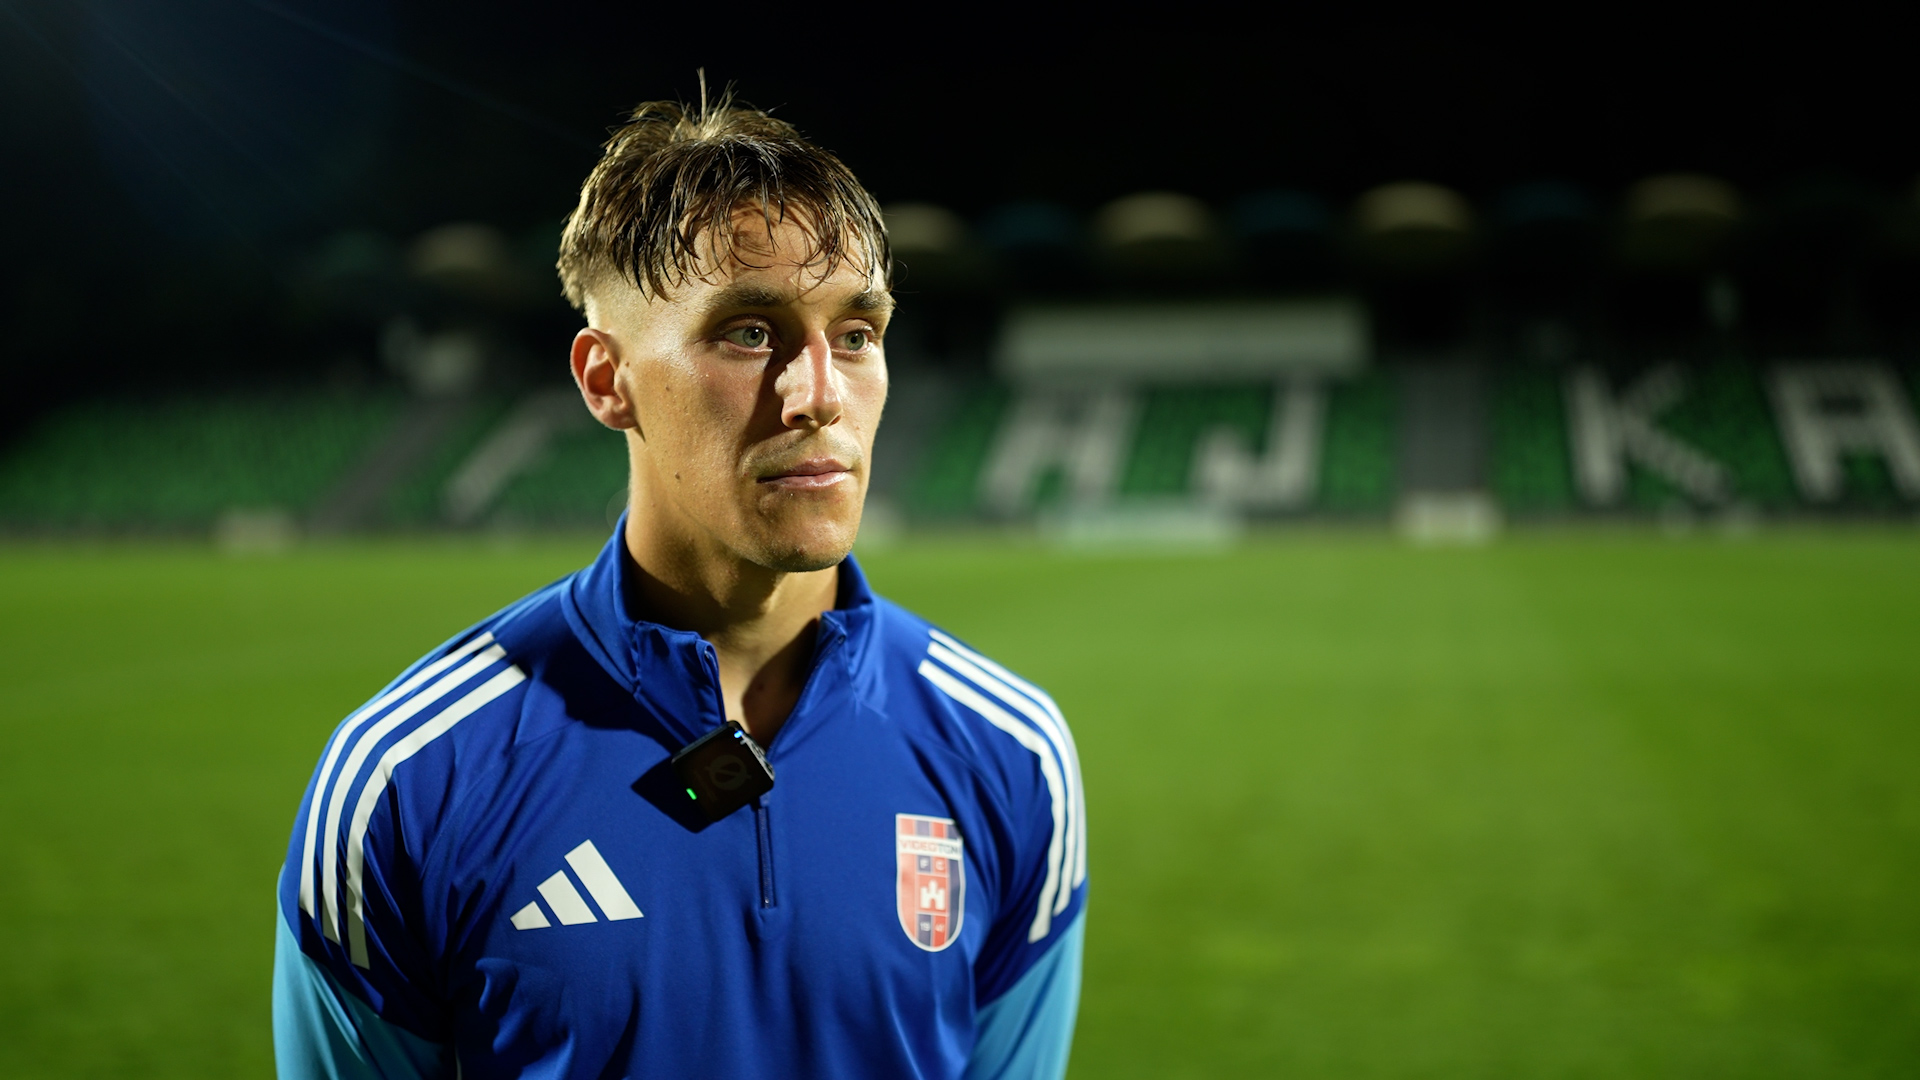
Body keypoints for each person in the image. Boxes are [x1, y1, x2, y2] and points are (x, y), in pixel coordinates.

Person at [271, 94, 1087, 1080]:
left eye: (856, 334)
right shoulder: (411, 779)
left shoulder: (1010, 751)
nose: (818, 393)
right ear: (604, 379)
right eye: (747, 332)